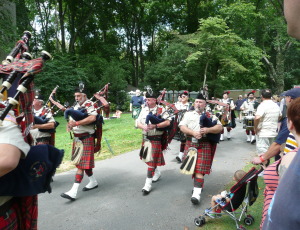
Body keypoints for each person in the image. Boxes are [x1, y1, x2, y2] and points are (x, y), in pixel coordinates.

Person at [251, 88, 300, 228]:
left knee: (263, 154)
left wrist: (262, 160)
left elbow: (277, 144)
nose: (285, 99)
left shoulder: (293, 159)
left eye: (286, 97)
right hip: (273, 131)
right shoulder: (274, 105)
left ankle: (262, 170)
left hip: (284, 215)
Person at [179, 93, 223, 204]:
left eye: (201, 102)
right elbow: (182, 127)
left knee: (199, 169)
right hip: (190, 144)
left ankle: (196, 194)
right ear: (194, 103)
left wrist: (208, 130)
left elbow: (219, 127)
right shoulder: (188, 114)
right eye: (197, 102)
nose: (198, 104)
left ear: (205, 104)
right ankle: (198, 186)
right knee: (193, 168)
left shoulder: (210, 115)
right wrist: (193, 132)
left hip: (204, 144)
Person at [61, 86, 98, 201]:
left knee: (81, 165)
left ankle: (73, 191)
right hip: (77, 139)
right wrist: (70, 124)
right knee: (82, 163)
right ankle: (93, 182)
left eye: (79, 96)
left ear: (84, 96)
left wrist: (76, 123)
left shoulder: (90, 104)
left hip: (86, 137)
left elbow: (92, 118)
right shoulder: (76, 106)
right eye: (75, 96)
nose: (77, 98)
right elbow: (72, 119)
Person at [136, 90, 171, 195]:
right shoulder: (144, 109)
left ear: (155, 100)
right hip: (146, 138)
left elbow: (168, 122)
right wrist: (144, 127)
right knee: (147, 159)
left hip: (156, 138)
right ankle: (157, 172)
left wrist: (156, 126)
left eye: (149, 99)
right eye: (146, 99)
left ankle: (147, 185)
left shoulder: (161, 109)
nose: (147, 101)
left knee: (151, 162)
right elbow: (137, 122)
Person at [253, 89, 281, 164]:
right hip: (273, 132)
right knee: (269, 152)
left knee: (263, 152)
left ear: (262, 96)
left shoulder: (262, 105)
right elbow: (280, 116)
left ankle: (264, 169)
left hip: (263, 132)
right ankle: (267, 167)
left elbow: (257, 117)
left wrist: (256, 128)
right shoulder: (276, 105)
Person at [175, 91, 192, 163]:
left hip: (187, 125)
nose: (182, 98)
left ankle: (181, 155)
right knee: (182, 140)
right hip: (178, 124)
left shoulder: (190, 105)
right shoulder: (177, 105)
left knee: (186, 140)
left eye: (184, 96)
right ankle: (181, 155)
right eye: (182, 96)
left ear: (187, 97)